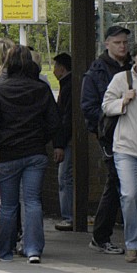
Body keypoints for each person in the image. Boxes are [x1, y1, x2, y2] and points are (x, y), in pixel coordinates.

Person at [0, 46, 60, 263]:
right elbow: (54, 122)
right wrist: (42, 140)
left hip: (9, 152)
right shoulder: (41, 89)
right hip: (35, 152)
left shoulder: (0, 89)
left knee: (9, 205)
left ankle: (5, 251)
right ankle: (33, 249)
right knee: (33, 201)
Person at [103, 40, 137, 262]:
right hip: (125, 147)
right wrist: (122, 102)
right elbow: (106, 105)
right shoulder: (121, 79)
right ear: (133, 57)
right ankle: (133, 242)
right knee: (130, 195)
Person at [81, 25, 131, 254]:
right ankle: (102, 235)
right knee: (116, 182)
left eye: (125, 42)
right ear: (107, 44)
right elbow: (89, 108)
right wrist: (105, 127)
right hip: (111, 135)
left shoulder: (136, 67)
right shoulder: (96, 73)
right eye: (118, 42)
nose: (123, 46)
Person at [52, 52, 74, 230]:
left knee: (65, 177)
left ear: (61, 68)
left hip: (67, 140)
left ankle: (69, 216)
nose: (53, 71)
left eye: (55, 67)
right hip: (67, 139)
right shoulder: (68, 85)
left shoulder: (68, 87)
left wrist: (59, 143)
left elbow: (66, 119)